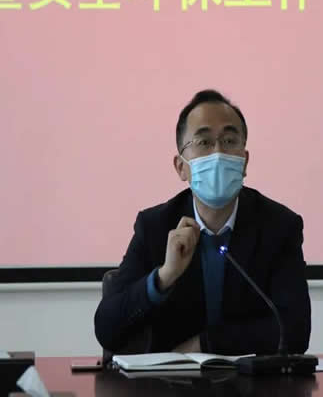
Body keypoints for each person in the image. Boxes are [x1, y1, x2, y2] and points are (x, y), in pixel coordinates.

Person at [94, 90, 311, 355]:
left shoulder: (279, 226)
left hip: (250, 379)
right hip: (169, 379)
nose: (218, 152)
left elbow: (294, 330)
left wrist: (205, 345)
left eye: (229, 140)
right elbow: (106, 329)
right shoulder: (155, 226)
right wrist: (164, 277)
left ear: (244, 161)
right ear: (181, 167)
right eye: (204, 142)